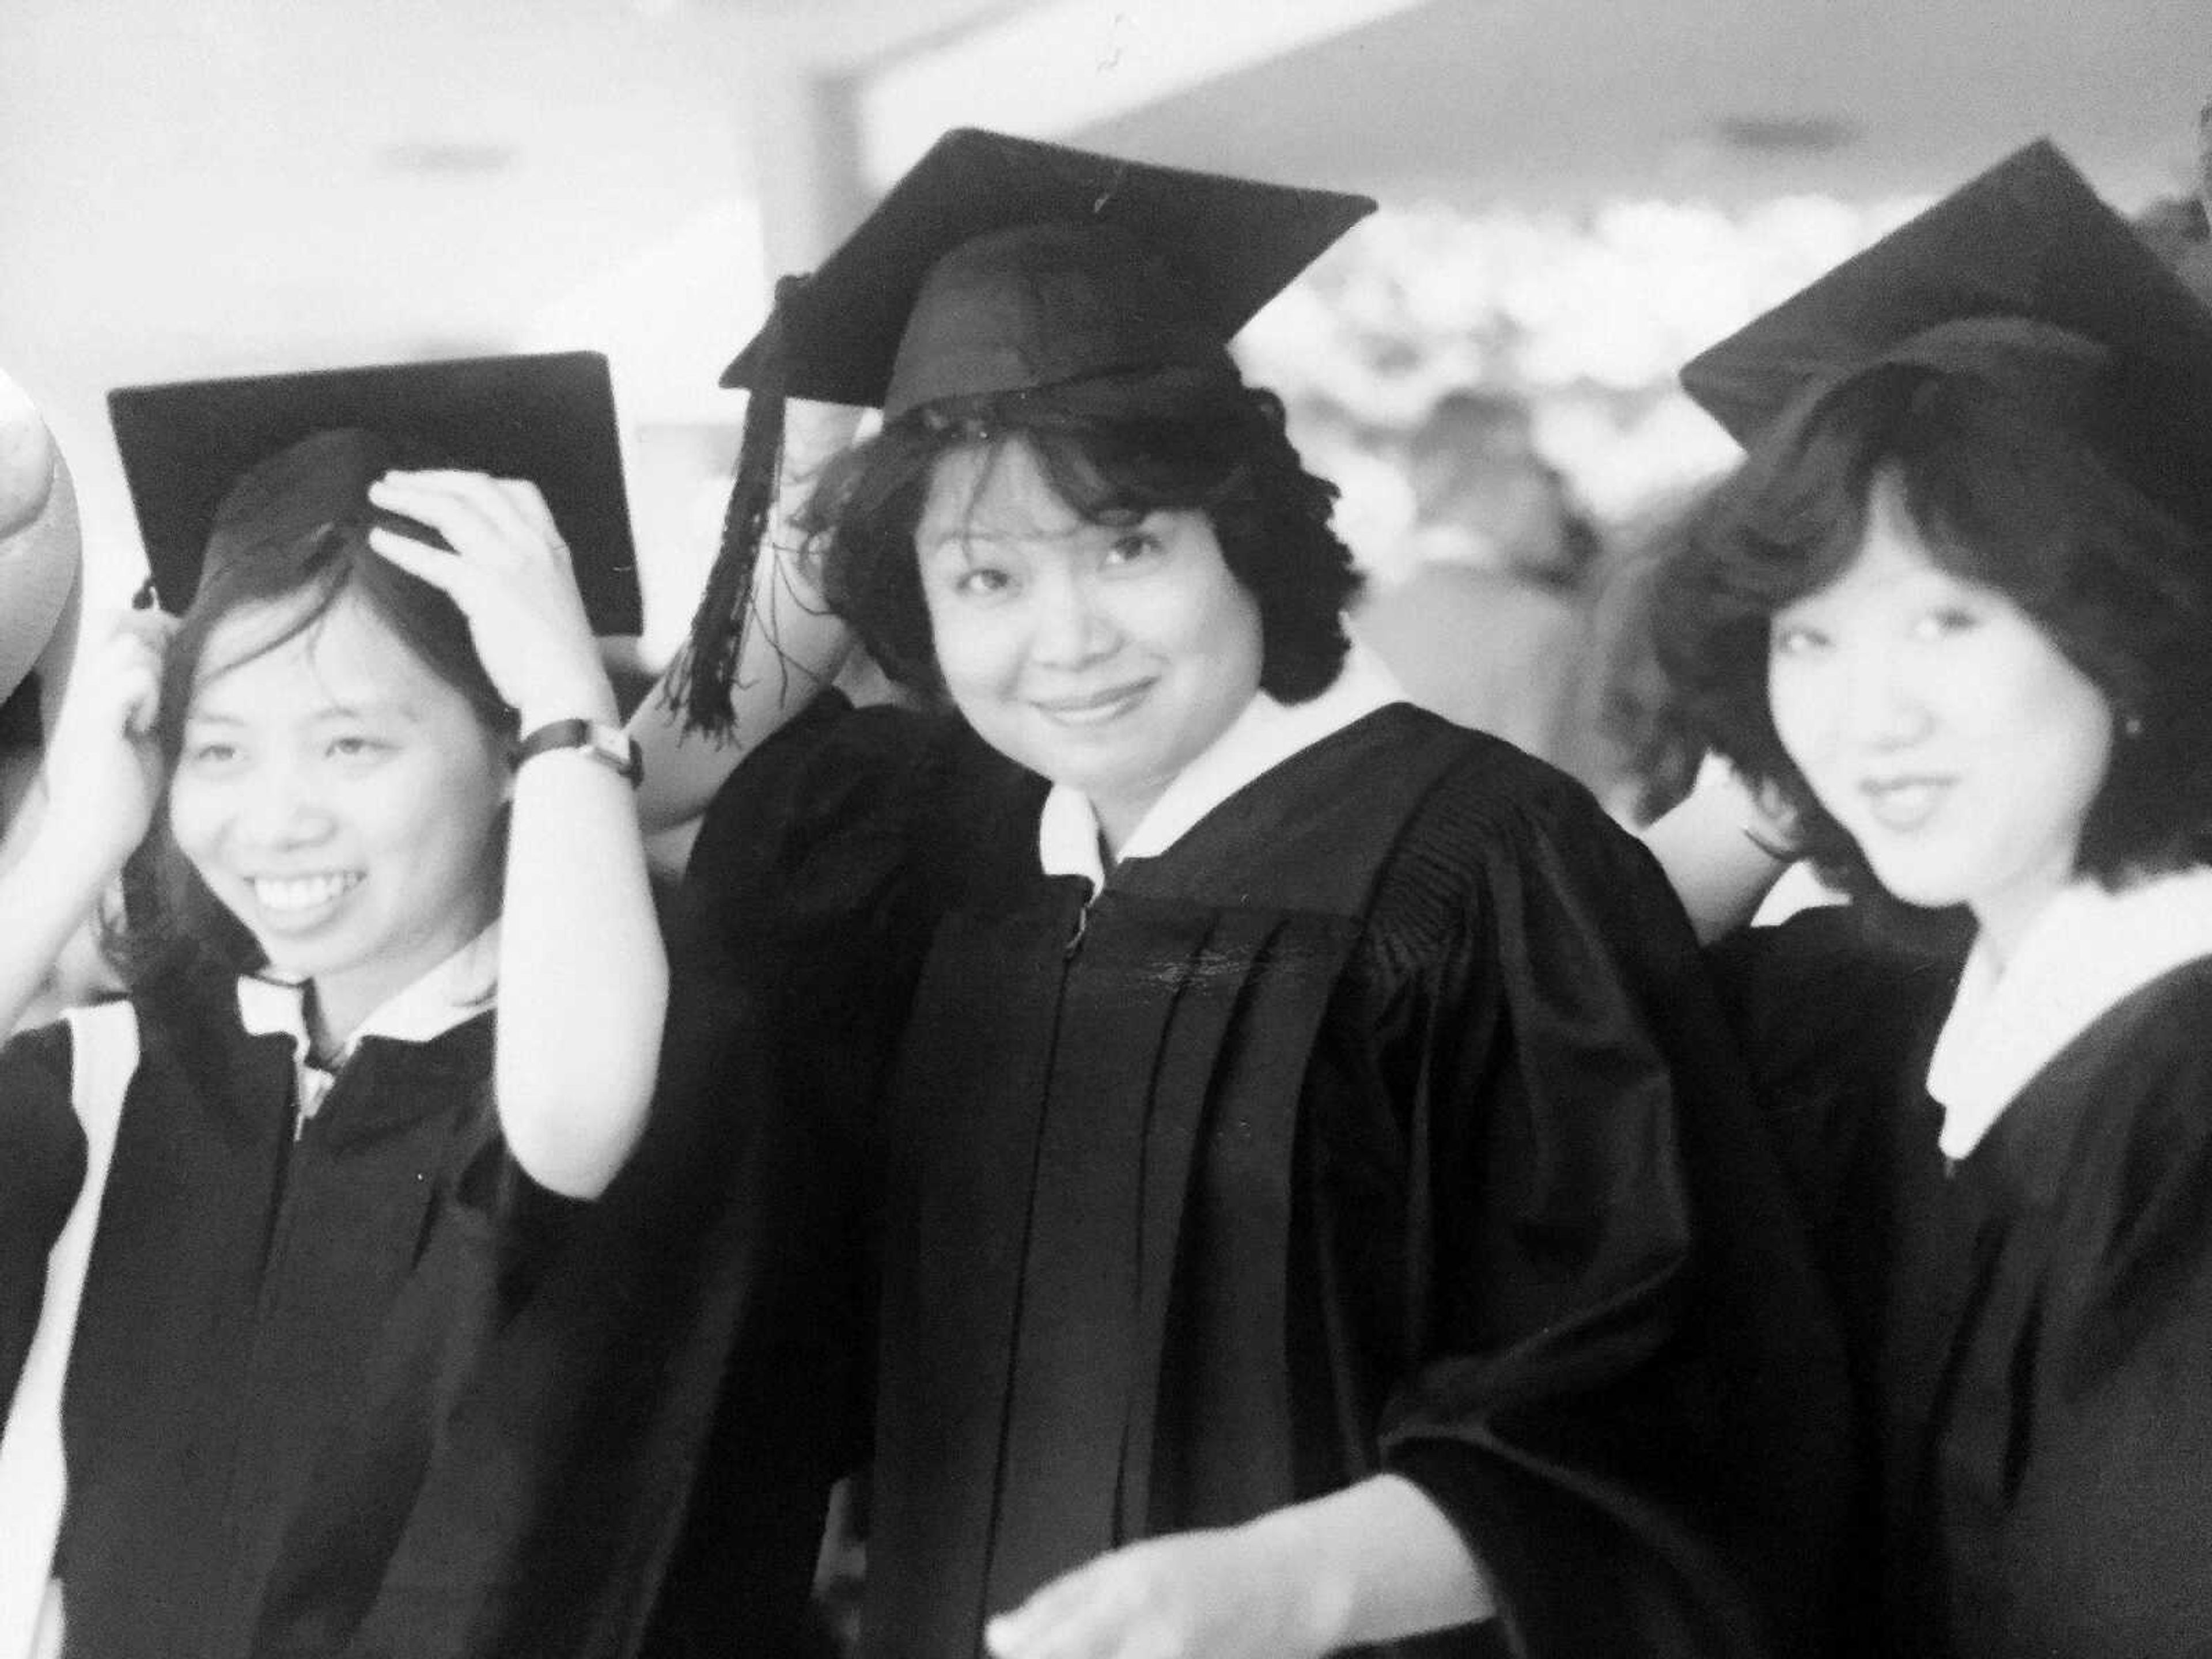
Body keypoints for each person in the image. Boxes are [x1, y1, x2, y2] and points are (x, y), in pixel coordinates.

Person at [637, 128, 1854, 1659]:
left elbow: (1653, 1390)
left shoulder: (1478, 862)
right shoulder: (937, 863)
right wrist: (812, 481)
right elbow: (670, 802)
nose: (1067, 638)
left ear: (1246, 538)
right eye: (985, 581)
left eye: (1127, 544)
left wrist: (1292, 1588)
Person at [0, 353, 671, 1659]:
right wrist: (74, 841)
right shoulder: (111, 1079)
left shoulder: (594, 1066)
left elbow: (576, 1115)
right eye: (223, 747)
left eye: (353, 741)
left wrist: (573, 711)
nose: (277, 816)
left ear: (504, 746)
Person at [1648, 139, 2212, 1658]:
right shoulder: (1919, 1015)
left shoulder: (2181, 1104)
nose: (1867, 715)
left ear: (2137, 627)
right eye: (1808, 636)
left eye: (1948, 619)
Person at [1355, 390, 1598, 766]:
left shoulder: (1362, 632)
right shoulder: (1538, 627)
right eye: (1548, 473)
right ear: (1511, 480)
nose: (1562, 498)